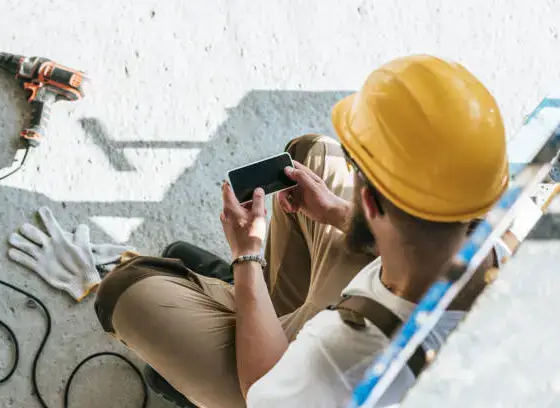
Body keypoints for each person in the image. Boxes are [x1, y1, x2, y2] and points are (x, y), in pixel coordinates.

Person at [94, 55, 509, 407]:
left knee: (125, 289)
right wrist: (335, 212)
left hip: (285, 376)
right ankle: (254, 307)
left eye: (357, 170)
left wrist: (247, 255)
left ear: (370, 202)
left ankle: (234, 309)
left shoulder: (339, 358)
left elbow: (260, 389)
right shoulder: (521, 242)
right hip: (382, 296)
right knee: (308, 154)